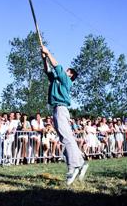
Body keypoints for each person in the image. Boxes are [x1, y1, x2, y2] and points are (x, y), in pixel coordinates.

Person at [41, 45, 88, 185]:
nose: (65, 71)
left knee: (66, 138)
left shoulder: (66, 80)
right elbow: (47, 70)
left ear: (70, 75)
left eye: (68, 71)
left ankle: (73, 167)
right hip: (57, 109)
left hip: (61, 109)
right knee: (66, 138)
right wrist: (44, 58)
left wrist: (48, 52)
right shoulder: (57, 80)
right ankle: (80, 163)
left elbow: (56, 66)